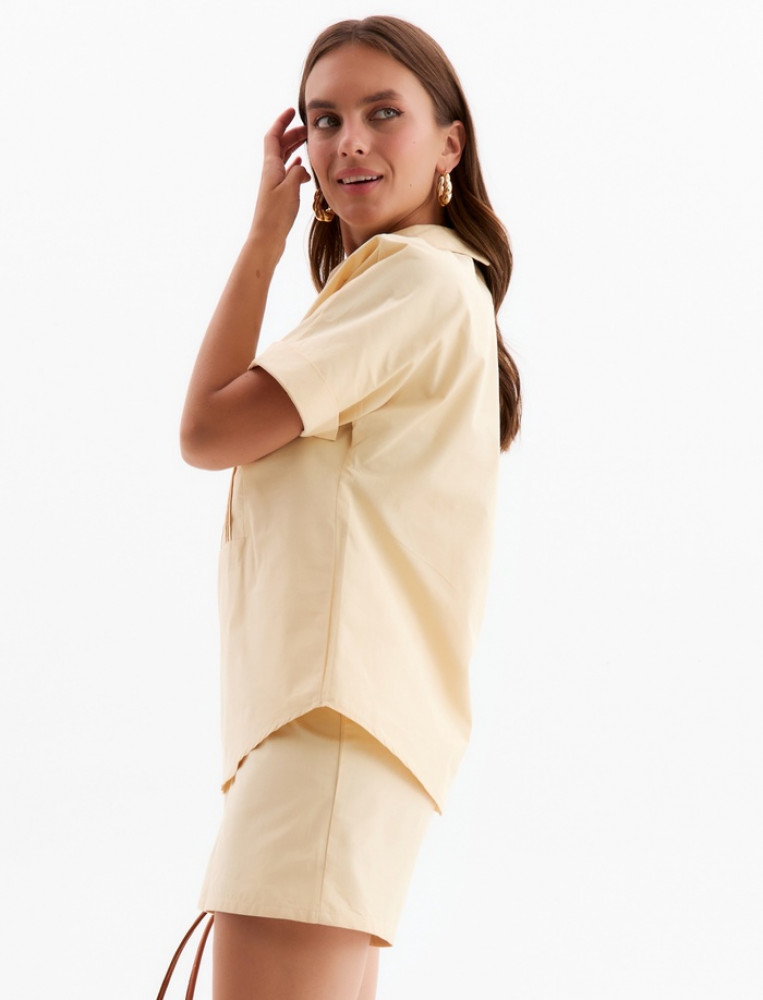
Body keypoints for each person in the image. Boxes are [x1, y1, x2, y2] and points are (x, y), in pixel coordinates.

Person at [177, 15, 520, 1000]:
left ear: (449, 143)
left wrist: (262, 238)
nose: (348, 142)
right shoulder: (414, 284)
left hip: (330, 726)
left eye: (383, 113)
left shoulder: (412, 278)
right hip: (342, 729)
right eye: (323, 119)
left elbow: (207, 429)